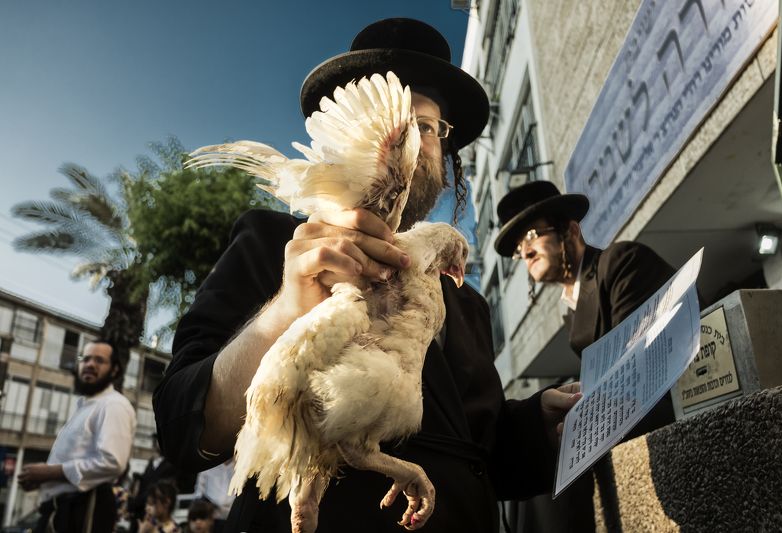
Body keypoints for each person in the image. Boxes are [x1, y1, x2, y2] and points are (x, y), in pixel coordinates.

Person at [153, 18, 580, 533]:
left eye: (427, 127)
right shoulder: (273, 243)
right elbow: (183, 425)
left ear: (448, 156)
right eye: (397, 127)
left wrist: (538, 426)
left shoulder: (465, 302)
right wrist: (289, 306)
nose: (414, 147)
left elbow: (480, 451)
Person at [493, 180, 678, 531]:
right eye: (519, 247)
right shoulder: (573, 310)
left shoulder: (621, 262)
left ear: (571, 229)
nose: (525, 252)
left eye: (532, 234)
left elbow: (636, 370)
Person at [19, 339, 136, 533]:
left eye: (99, 360)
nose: (89, 364)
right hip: (61, 511)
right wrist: (44, 480)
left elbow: (112, 462)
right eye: (85, 358)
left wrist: (49, 472)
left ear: (114, 370)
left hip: (84, 510)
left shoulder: (113, 405)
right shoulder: (86, 405)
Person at [129, 434, 196, 532]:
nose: (155, 444)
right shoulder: (152, 462)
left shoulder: (171, 464)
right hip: (142, 508)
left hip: (155, 504)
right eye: (155, 441)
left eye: (158, 441)